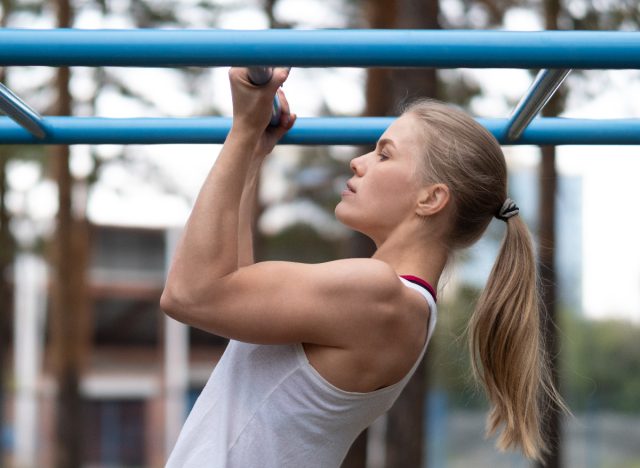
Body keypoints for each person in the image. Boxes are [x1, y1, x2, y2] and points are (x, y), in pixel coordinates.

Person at [161, 67, 564, 467]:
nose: (358, 162)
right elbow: (229, 287)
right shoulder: (395, 302)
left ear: (431, 199)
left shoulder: (378, 294)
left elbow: (189, 294)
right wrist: (251, 153)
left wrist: (244, 131)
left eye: (384, 154)